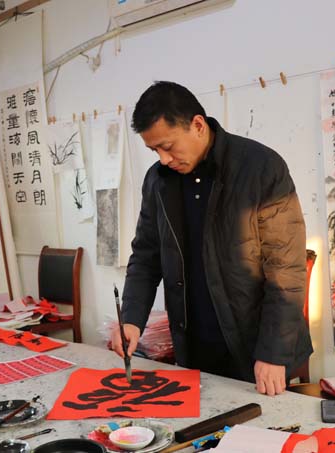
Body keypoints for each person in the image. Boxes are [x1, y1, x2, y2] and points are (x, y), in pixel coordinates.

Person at [112, 81, 312, 396]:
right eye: (154, 151)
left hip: (257, 347)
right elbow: (146, 257)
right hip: (193, 346)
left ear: (197, 125)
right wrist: (131, 319)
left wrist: (273, 353)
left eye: (168, 146)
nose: (163, 159)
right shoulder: (158, 181)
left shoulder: (260, 167)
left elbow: (286, 269)